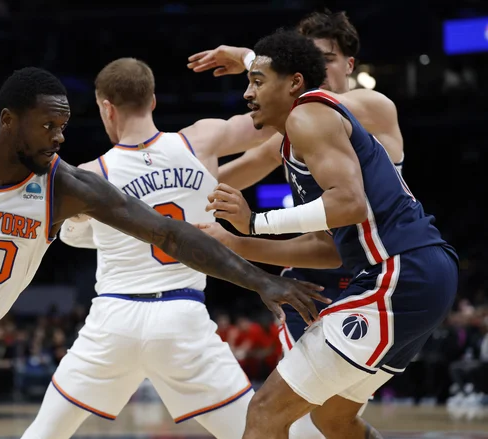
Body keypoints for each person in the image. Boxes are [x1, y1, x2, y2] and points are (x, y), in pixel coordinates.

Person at [0, 67, 325, 439]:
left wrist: (261, 279)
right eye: (47, 125)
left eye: (63, 126)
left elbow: (170, 235)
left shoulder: (63, 186)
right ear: (9, 121)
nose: (59, 137)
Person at [194, 29, 458, 439]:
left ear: (295, 81)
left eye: (257, 82)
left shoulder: (311, 113)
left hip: (400, 272)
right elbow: (328, 248)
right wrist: (237, 243)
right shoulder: (297, 134)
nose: (247, 93)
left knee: (265, 412)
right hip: (412, 273)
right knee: (332, 419)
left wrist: (253, 222)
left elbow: (349, 204)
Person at [21, 57, 290, 439]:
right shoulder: (202, 140)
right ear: (153, 101)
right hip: (182, 317)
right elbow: (279, 112)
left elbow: (67, 233)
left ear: (106, 108)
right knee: (254, 431)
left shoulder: (91, 174)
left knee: (45, 432)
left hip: (114, 317)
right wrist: (251, 61)